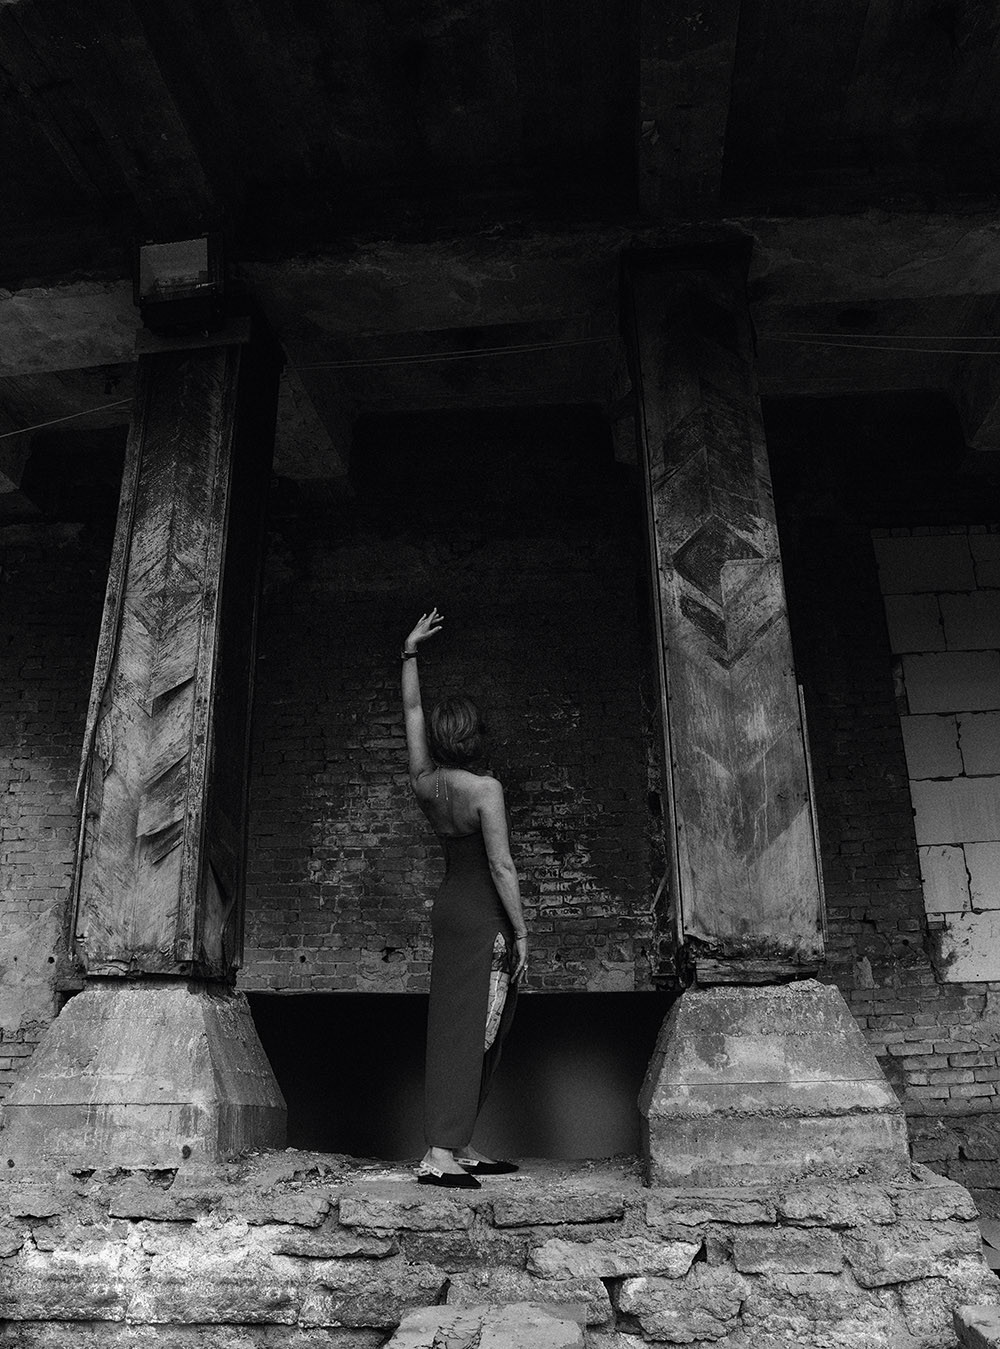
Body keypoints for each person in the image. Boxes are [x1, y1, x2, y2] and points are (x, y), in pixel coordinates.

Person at [401, 608, 528, 1189]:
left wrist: (409, 652)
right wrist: (522, 931)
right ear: (475, 738)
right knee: (476, 1029)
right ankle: (439, 1152)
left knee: (463, 1027)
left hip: (450, 912)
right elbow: (501, 865)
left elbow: (411, 712)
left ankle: (457, 1143)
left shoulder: (426, 784)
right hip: (483, 918)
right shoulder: (485, 791)